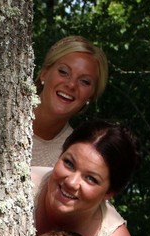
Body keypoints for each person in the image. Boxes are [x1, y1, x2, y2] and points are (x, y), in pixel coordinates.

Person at [32, 36, 108, 168]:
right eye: (64, 72)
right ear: (44, 73)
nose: (71, 85)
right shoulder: (3, 112)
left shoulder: (74, 154)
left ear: (91, 96)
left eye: (84, 81)